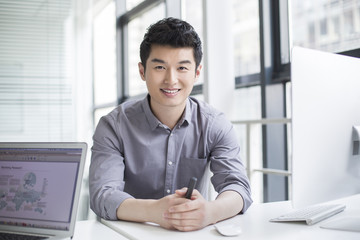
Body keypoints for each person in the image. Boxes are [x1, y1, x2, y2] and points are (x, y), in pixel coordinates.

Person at [89, 17, 252, 232]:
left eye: (182, 68)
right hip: (127, 234)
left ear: (196, 72)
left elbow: (237, 186)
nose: (171, 80)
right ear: (142, 71)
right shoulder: (114, 125)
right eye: (159, 67)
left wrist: (210, 212)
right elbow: (103, 194)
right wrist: (154, 211)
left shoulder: (215, 124)